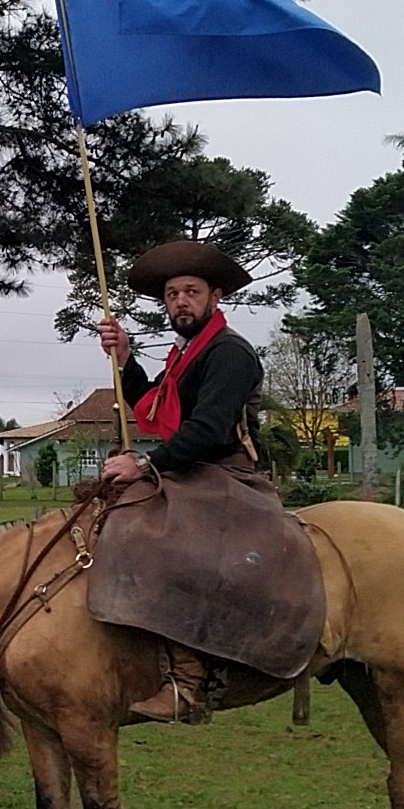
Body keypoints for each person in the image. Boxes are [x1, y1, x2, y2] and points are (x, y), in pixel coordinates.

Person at [96, 240, 273, 723]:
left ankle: (188, 680)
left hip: (226, 471)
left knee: (168, 543)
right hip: (190, 467)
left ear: (215, 297)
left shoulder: (229, 353)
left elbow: (208, 430)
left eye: (191, 291)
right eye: (173, 294)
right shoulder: (186, 355)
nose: (181, 301)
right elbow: (154, 406)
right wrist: (127, 359)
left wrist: (145, 466)